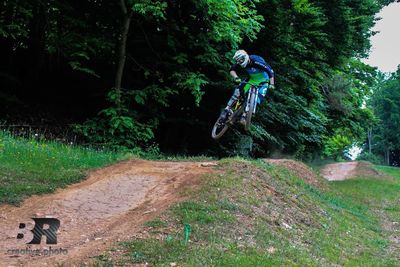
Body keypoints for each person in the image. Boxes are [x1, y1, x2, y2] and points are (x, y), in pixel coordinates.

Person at [221, 49, 275, 125]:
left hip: (264, 80)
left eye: (241, 60)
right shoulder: (239, 62)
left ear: (245, 57)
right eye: (238, 61)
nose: (240, 62)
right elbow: (231, 70)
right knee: (238, 91)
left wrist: (272, 84)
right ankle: (227, 109)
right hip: (252, 79)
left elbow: (270, 72)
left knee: (259, 97)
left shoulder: (256, 61)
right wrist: (236, 77)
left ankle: (245, 115)